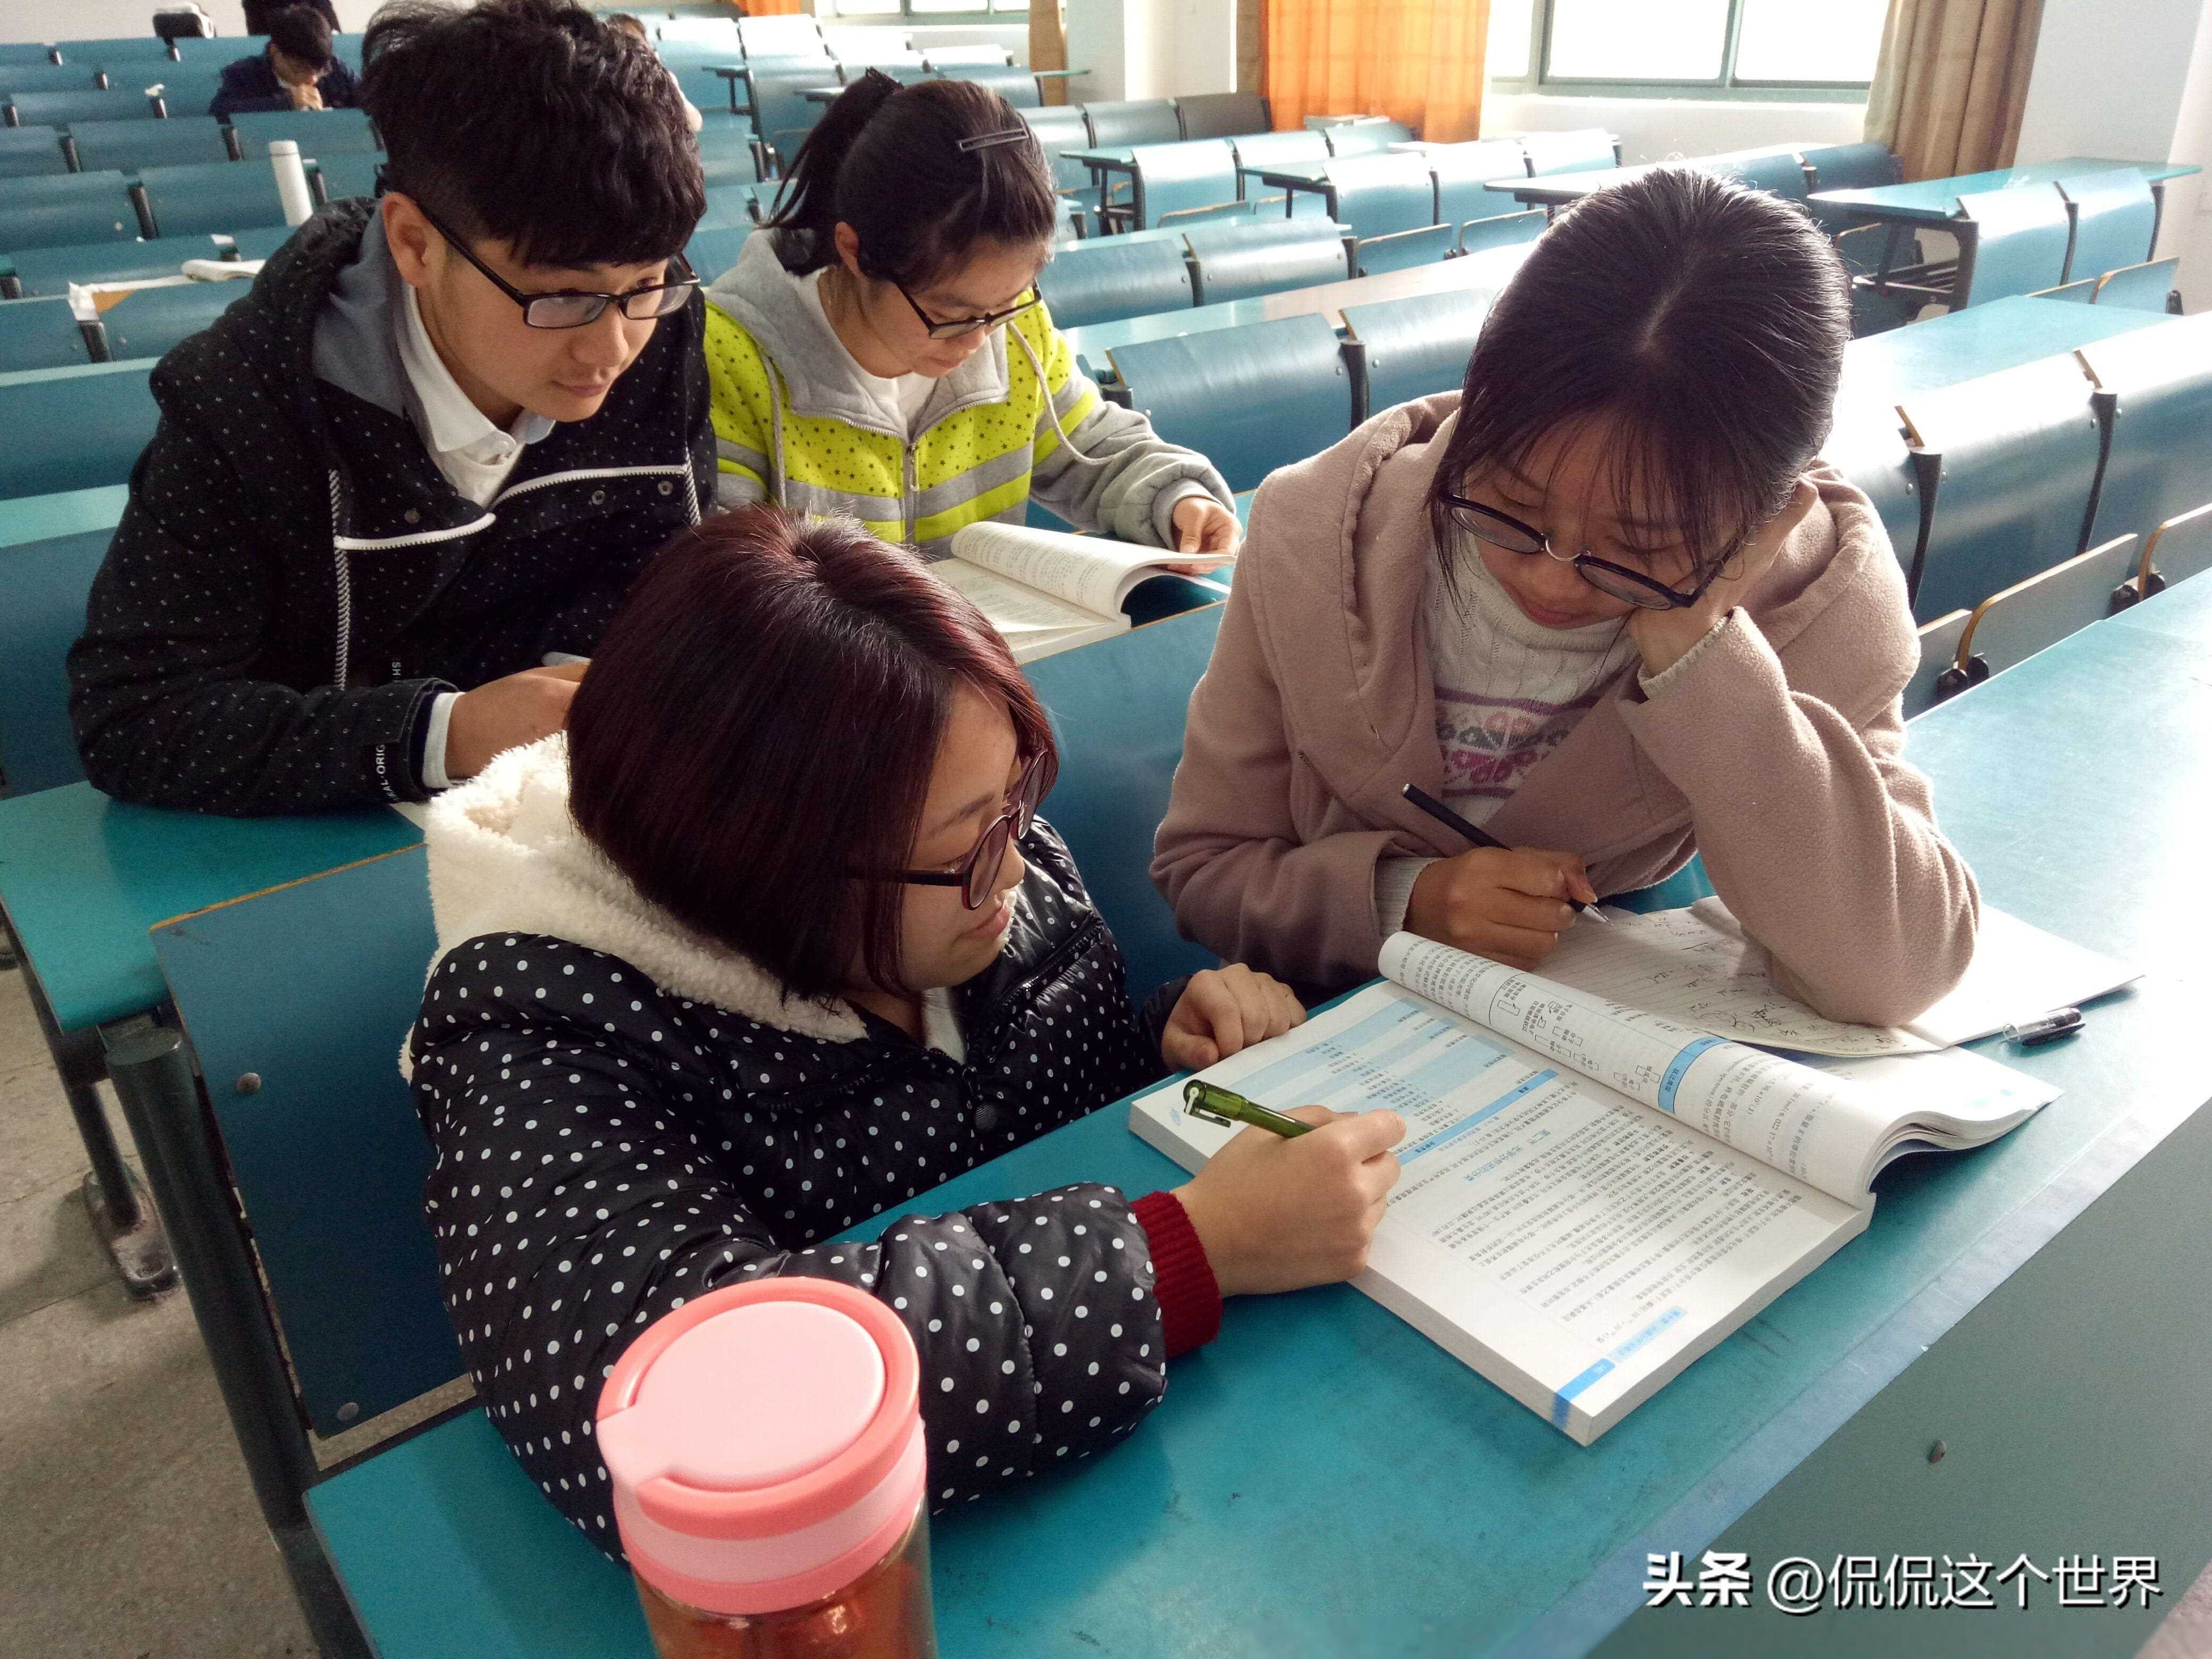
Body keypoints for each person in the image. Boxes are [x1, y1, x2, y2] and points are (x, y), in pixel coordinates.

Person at [405, 506, 1405, 1553]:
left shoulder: (962, 842)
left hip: (1107, 1468)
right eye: (973, 845)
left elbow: (1018, 1097)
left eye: (1015, 803)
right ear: (763, 874)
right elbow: (671, 1412)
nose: (1016, 867)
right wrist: (1185, 1252)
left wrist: (1159, 1041)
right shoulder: (541, 1023)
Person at [1152, 168, 1980, 1027]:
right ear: (1479, 409)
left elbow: (1897, 970)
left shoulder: (1818, 603)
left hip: (1613, 1072)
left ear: (1771, 517)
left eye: (1641, 546)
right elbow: (1206, 869)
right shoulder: (1320, 534)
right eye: (1509, 505)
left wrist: (1702, 654)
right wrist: (1406, 900)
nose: (1552, 578)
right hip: (1334, 1037)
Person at [70, 0, 712, 816]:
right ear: (414, 243)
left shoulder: (661, 328)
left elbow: (654, 574)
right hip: (306, 850)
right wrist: (450, 732)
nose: (613, 348)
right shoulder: (245, 402)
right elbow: (135, 719)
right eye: (564, 298)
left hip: (555, 812)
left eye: (646, 283)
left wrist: (578, 685)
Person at [701, 72, 1241, 562]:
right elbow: (734, 588)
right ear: (854, 252)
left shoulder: (1012, 324)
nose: (980, 340)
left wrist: (1176, 499)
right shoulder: (731, 357)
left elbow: (1093, 450)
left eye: (1005, 304)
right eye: (949, 314)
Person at [210, 4, 361, 116]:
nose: (312, 78)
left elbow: (372, 98)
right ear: (275, 51)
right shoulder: (245, 74)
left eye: (319, 71)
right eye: (300, 68)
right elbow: (219, 112)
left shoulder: (335, 68)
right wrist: (286, 102)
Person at [605, 13, 705, 132]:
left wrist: (662, 76)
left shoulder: (662, 79)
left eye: (634, 44)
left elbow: (694, 123)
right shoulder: (602, 83)